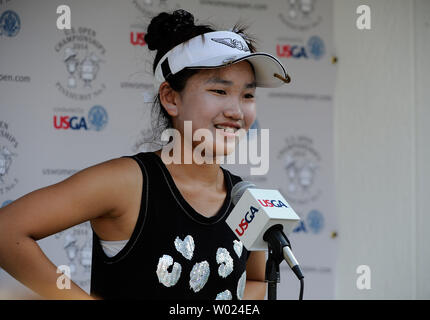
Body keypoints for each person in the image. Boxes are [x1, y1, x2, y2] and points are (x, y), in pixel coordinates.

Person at [0, 9, 290, 300]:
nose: (236, 111)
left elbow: (256, 278)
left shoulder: (244, 197)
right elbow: (7, 231)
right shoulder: (128, 182)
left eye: (248, 95)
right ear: (170, 98)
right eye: (219, 91)